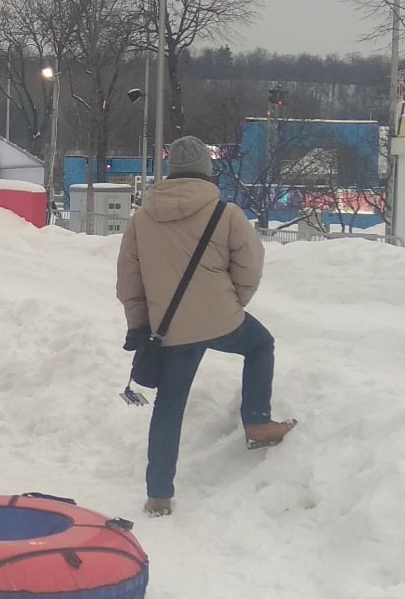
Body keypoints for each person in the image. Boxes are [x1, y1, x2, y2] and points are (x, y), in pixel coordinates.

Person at [117, 135, 293, 518]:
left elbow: (129, 282)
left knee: (169, 406)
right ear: (206, 172)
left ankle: (159, 495)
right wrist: (232, 305)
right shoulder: (224, 213)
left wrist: (140, 326)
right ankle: (258, 423)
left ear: (171, 173)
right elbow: (250, 264)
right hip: (220, 319)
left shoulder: (141, 218)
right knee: (260, 345)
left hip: (169, 329)